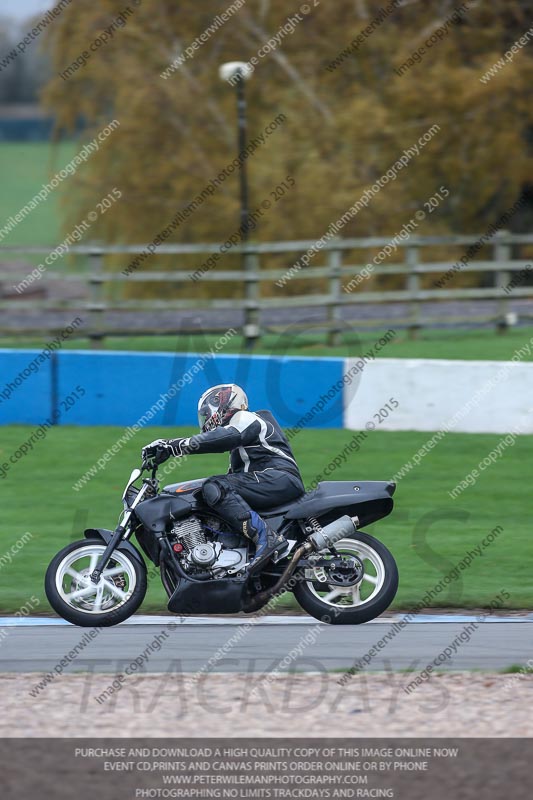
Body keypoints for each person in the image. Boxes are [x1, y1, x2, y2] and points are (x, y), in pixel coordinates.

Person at [141, 384, 305, 569]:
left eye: (206, 412)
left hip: (278, 477)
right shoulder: (240, 450)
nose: (205, 419)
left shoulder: (246, 417)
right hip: (268, 481)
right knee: (213, 493)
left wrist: (173, 446)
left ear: (222, 401)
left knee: (215, 485)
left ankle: (267, 539)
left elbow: (224, 438)